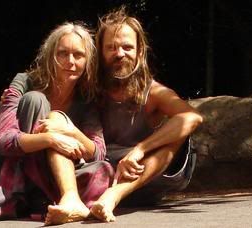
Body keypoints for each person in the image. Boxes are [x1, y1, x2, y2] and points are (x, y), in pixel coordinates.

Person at [0, 22, 113, 225]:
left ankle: (66, 201)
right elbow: (4, 140)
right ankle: (63, 199)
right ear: (50, 55)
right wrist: (51, 139)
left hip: (57, 176)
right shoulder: (23, 82)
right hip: (19, 174)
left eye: (78, 55)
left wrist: (69, 130)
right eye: (63, 53)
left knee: (104, 169)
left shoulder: (86, 98)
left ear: (87, 61)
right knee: (35, 99)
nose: (70, 61)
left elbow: (98, 151)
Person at [89, 7, 203, 222]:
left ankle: (115, 195)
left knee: (179, 136)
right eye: (111, 48)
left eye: (127, 47)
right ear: (100, 52)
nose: (119, 54)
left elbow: (192, 117)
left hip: (142, 177)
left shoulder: (154, 92)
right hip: (98, 173)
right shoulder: (89, 90)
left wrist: (139, 150)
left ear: (140, 52)